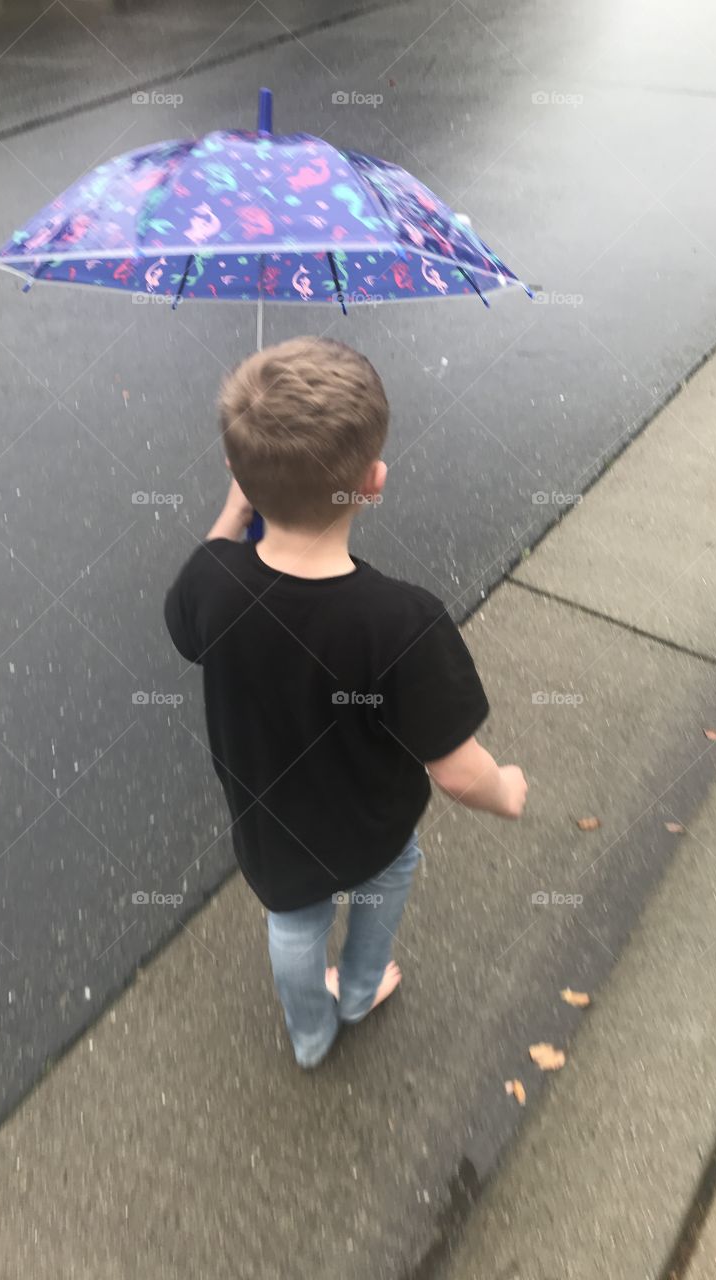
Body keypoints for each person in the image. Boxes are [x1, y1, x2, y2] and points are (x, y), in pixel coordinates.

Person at [164, 337, 527, 1068]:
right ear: (373, 482)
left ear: (236, 471)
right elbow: (457, 771)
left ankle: (310, 1037)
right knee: (383, 889)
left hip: (271, 824)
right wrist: (507, 791)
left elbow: (193, 604)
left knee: (294, 926)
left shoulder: (213, 580)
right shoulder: (401, 622)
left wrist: (234, 511)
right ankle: (358, 991)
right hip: (373, 827)